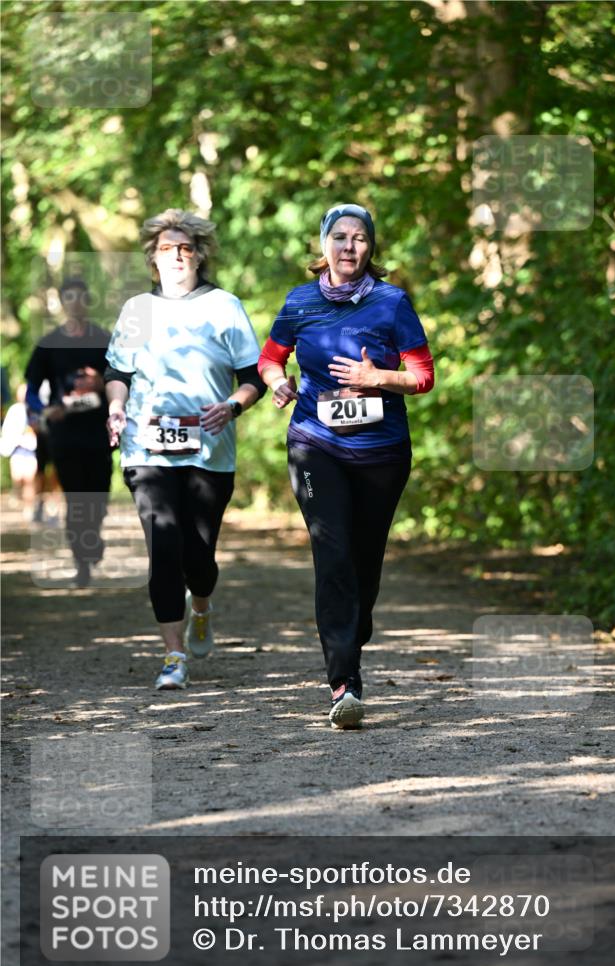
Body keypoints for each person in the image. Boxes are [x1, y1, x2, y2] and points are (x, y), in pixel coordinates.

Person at [258, 203, 435, 730]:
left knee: (364, 561)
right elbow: (271, 358)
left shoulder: (392, 303)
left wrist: (376, 377)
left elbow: (423, 376)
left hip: (381, 452)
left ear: (370, 248)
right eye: (340, 237)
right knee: (332, 555)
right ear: (324, 246)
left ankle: (351, 637)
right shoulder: (299, 303)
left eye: (360, 238)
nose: (349, 247)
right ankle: (344, 684)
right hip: (316, 443)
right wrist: (276, 383)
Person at [104, 208, 266, 691]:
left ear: (199, 255)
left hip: (209, 451)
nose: (175, 256)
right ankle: (173, 655)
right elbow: (119, 374)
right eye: (165, 249)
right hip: (145, 447)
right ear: (152, 258)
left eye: (185, 248)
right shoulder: (138, 310)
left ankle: (202, 605)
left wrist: (233, 408)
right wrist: (116, 409)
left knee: (198, 557)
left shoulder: (224, 306)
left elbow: (253, 377)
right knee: (163, 545)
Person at [24, 277, 112, 586]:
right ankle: (82, 561)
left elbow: (122, 379)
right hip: (64, 435)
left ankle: (94, 540)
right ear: (62, 303)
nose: (74, 302)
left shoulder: (104, 339)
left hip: (100, 432)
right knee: (76, 500)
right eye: (68, 296)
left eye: (79, 296)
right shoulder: (49, 343)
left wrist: (102, 384)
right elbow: (32, 389)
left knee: (99, 498)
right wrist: (41, 412)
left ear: (87, 301)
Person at [0, 384, 38, 518]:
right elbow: (7, 430)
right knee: (18, 478)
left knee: (30, 479)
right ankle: (18, 499)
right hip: (17, 450)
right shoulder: (14, 410)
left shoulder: (35, 409)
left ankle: (29, 509)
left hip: (31, 450)